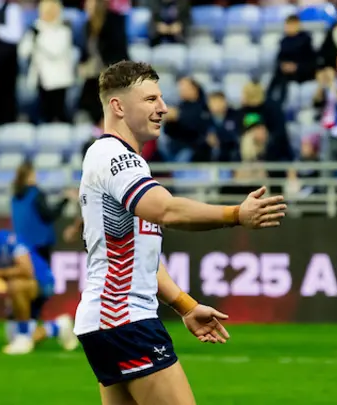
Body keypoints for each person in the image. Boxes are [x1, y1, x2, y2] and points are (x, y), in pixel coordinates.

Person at [75, 60, 287, 405]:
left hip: (108, 321)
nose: (163, 108)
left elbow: (139, 256)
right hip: (124, 319)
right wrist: (236, 213)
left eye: (161, 98)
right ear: (117, 106)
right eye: (150, 99)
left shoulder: (117, 159)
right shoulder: (114, 156)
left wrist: (186, 306)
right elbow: (167, 210)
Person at [0, 229, 78, 355]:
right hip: (23, 291)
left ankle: (24, 336)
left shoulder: (6, 240)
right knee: (13, 336)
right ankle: (58, 327)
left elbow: (27, 270)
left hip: (42, 281)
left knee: (15, 286)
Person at [11, 161, 76, 264]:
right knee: (42, 278)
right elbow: (48, 215)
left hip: (21, 246)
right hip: (39, 246)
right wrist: (65, 199)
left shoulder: (15, 198)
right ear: (29, 176)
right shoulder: (35, 194)